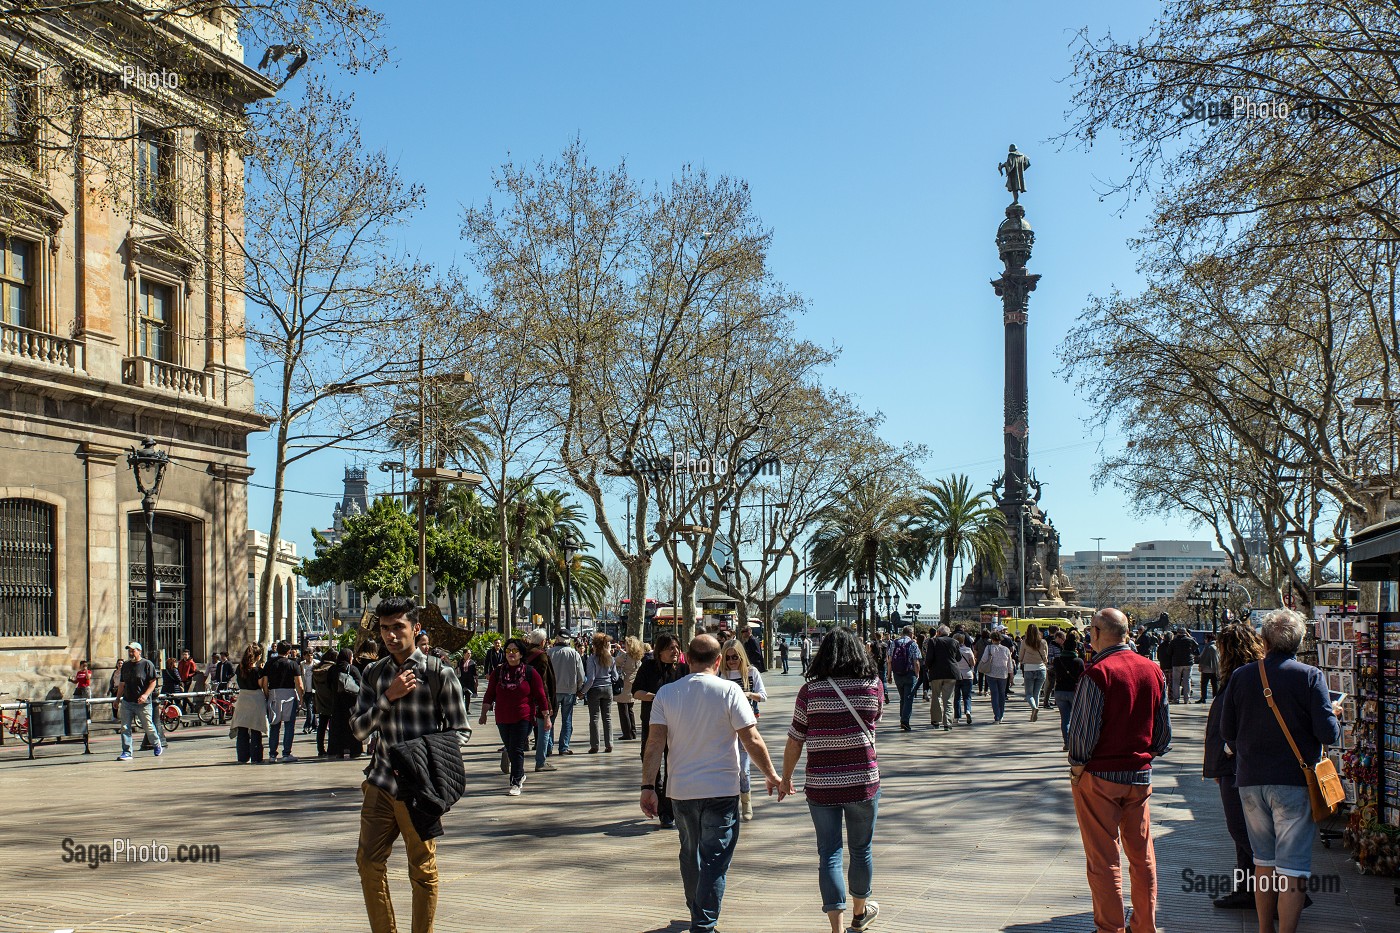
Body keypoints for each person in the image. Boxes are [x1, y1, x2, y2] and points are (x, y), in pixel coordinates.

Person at [640, 634, 780, 933]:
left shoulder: (666, 693)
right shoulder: (730, 691)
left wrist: (648, 787)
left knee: (690, 853)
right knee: (715, 860)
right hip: (721, 790)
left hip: (681, 791)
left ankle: (698, 912)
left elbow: (654, 744)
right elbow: (751, 739)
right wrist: (771, 774)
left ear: (687, 660)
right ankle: (703, 924)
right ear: (718, 661)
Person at [352, 596, 470, 933]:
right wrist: (387, 698)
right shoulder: (374, 674)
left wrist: (428, 759)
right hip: (380, 782)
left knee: (422, 869)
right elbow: (358, 729)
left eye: (398, 627)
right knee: (368, 864)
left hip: (418, 788)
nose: (390, 635)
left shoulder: (438, 673)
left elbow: (461, 730)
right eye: (385, 628)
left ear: (415, 629)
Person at [1220, 609, 1341, 933]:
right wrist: (1333, 714)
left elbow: (1227, 731)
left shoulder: (1241, 676)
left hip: (1250, 782)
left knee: (1264, 862)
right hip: (1293, 782)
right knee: (1293, 867)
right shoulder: (1310, 676)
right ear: (1299, 642)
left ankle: (1264, 929)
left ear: (1265, 640)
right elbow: (1328, 734)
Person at [1067, 608, 1172, 933]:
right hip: (1139, 777)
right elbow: (1163, 736)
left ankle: (1110, 928)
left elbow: (1082, 737)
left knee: (1104, 860)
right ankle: (1144, 926)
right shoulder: (1153, 671)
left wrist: (1077, 769)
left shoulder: (1097, 673)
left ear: (1097, 632)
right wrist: (1141, 755)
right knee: (1142, 858)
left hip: (1099, 777)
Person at [779, 627, 884, 933]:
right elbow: (876, 719)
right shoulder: (872, 685)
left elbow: (795, 739)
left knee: (829, 852)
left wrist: (786, 777)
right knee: (861, 849)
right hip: (863, 780)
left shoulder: (810, 691)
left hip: (821, 784)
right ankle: (860, 912)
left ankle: (836, 928)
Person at [1204, 622, 1267, 910]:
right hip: (1234, 765)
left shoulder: (1240, 679)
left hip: (1236, 766)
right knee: (1243, 834)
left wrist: (1225, 754)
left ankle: (1279, 890)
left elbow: (1236, 726)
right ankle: (1247, 889)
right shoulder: (1249, 676)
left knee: (1243, 832)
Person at [632, 632, 688, 828]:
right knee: (651, 764)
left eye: (677, 647)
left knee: (672, 766)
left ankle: (667, 811)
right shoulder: (648, 667)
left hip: (676, 725)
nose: (675, 651)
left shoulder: (683, 669)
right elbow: (636, 692)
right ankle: (655, 794)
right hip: (653, 724)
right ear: (660, 650)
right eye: (670, 648)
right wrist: (659, 697)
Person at [480, 637, 549, 793]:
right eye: (508, 651)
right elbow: (490, 694)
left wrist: (546, 717)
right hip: (503, 717)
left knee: (516, 748)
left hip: (523, 716)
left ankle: (516, 782)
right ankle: (520, 774)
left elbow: (540, 695)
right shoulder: (498, 672)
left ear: (521, 653)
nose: (511, 653)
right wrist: (483, 713)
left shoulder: (530, 672)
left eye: (515, 650)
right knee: (510, 748)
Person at [721, 637, 769, 821]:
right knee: (728, 766)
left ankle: (746, 802)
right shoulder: (721, 675)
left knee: (744, 767)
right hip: (725, 725)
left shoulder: (751, 672)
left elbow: (763, 696)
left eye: (735, 657)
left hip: (746, 725)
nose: (732, 661)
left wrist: (748, 694)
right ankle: (731, 803)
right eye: (728, 658)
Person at [115, 641, 162, 760]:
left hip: (143, 703)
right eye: (129, 650)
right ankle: (127, 751)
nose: (131, 653)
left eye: (133, 650)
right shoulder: (125, 665)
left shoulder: (147, 664)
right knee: (125, 727)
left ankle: (156, 744)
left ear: (139, 651)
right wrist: (117, 699)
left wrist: (145, 695)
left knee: (147, 726)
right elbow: (122, 683)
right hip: (127, 701)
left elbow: (153, 682)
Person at [264, 640, 304, 762]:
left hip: (274, 694)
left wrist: (267, 695)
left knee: (274, 725)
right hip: (289, 695)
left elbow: (265, 683)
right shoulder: (293, 664)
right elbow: (299, 684)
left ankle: (272, 754)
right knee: (289, 725)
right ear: (288, 651)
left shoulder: (269, 663)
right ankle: (286, 754)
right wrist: (301, 698)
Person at [229, 645, 269, 764]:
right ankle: (256, 756)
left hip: (242, 699)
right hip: (256, 699)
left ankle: (242, 757)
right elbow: (263, 687)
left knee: (242, 728)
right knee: (256, 728)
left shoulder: (239, 668)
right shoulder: (258, 671)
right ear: (257, 657)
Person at [548, 632, 586, 755]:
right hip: (569, 691)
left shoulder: (550, 653)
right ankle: (563, 747)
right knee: (567, 719)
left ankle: (548, 747)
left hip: (553, 691)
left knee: (550, 720)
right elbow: (581, 674)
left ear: (557, 639)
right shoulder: (574, 654)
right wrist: (579, 688)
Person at [582, 633, 617, 754]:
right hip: (608, 689)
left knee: (594, 718)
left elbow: (590, 679)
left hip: (595, 690)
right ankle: (609, 744)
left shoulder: (591, 659)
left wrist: (582, 692)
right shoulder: (611, 658)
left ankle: (595, 745)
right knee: (607, 718)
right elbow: (615, 676)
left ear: (595, 646)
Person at [1051, 632, 1086, 751]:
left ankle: (1067, 742)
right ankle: (1075, 742)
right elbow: (1083, 677)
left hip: (1060, 691)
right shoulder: (1079, 661)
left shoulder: (1057, 660)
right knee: (1076, 719)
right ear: (1075, 648)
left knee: (1065, 719)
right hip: (1074, 692)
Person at [327, 648, 364, 759]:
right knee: (352, 727)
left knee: (337, 728)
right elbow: (360, 685)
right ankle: (354, 750)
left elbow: (328, 685)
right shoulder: (352, 669)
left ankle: (338, 751)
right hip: (351, 703)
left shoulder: (332, 669)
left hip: (336, 703)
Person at [924, 625, 960, 731]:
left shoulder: (933, 641)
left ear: (938, 633)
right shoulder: (955, 642)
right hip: (951, 672)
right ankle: (947, 723)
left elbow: (929, 657)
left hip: (936, 673)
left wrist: (928, 667)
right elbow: (958, 657)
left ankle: (936, 720)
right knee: (948, 698)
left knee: (936, 696)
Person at [886, 625, 922, 731]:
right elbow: (916, 661)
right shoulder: (913, 644)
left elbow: (890, 661)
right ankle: (905, 721)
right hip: (909, 674)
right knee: (908, 698)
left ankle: (902, 718)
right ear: (911, 633)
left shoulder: (894, 643)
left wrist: (889, 675)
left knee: (902, 697)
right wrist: (917, 674)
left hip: (897, 674)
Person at [976, 631, 1013, 724]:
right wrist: (1011, 675)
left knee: (994, 694)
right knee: (1002, 694)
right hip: (1003, 673)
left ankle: (996, 716)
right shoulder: (1006, 649)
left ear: (992, 639)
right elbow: (1009, 663)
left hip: (991, 673)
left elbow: (984, 659)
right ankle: (1001, 715)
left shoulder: (988, 648)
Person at [1019, 623, 1050, 722]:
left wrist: (1023, 660)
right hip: (1041, 669)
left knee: (1028, 694)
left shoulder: (1025, 642)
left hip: (1029, 668)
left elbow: (1020, 656)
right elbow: (1046, 657)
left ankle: (1033, 708)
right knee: (1036, 693)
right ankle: (1034, 714)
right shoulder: (1043, 642)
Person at [614, 636, 643, 741]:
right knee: (630, 710)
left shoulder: (625, 657)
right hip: (633, 685)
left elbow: (614, 661)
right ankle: (633, 731)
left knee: (623, 710)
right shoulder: (638, 657)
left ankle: (627, 733)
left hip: (624, 685)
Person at [311, 649, 338, 756]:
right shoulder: (332, 669)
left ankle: (320, 749)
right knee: (333, 725)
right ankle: (332, 748)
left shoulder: (316, 669)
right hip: (332, 699)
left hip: (320, 699)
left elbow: (313, 686)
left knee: (321, 725)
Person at [1169, 627, 1199, 704]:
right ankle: (1186, 699)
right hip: (1188, 662)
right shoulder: (1190, 640)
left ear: (1178, 633)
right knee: (1187, 681)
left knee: (1176, 681)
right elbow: (1196, 647)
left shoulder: (1174, 641)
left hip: (1177, 663)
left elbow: (1169, 652)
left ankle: (1176, 699)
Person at [952, 633, 975, 725]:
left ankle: (957, 716)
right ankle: (968, 711)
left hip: (956, 675)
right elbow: (972, 663)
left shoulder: (953, 650)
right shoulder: (968, 650)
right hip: (967, 675)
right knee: (967, 696)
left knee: (957, 697)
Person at [1197, 634, 1220, 703]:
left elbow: (1203, 657)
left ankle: (1203, 698)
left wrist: (1200, 666)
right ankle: (1215, 698)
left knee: (1204, 684)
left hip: (1206, 669)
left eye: (1206, 639)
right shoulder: (1217, 646)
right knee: (1215, 684)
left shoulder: (1208, 647)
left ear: (1209, 639)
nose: (1205, 640)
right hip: (1215, 669)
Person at [457, 647, 478, 715]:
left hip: (469, 681)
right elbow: (457, 670)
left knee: (467, 695)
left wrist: (476, 681)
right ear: (464, 654)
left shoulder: (472, 662)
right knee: (461, 696)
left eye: (470, 653)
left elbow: (475, 673)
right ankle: (461, 709)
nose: (469, 655)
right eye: (468, 653)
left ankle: (467, 709)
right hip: (462, 681)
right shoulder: (460, 662)